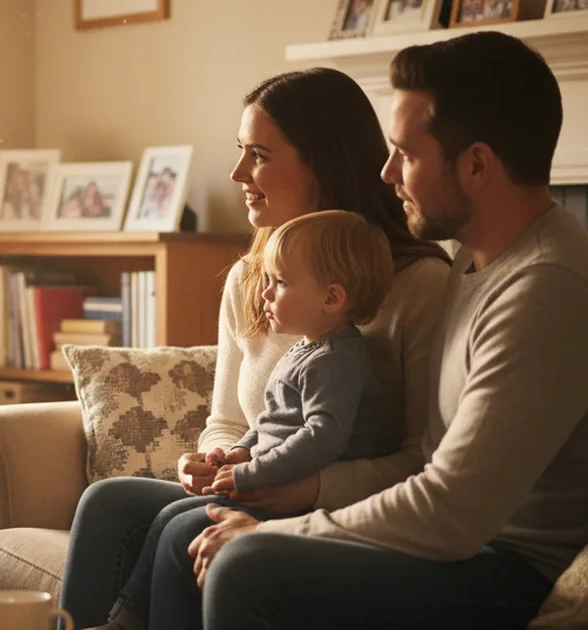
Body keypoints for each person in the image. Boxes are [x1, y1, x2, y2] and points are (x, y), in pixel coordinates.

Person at [184, 31, 588, 630]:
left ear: (477, 164)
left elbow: (451, 511)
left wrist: (286, 528)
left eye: (407, 153)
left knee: (248, 563)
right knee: (180, 529)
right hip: (458, 551)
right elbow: (430, 458)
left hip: (503, 569)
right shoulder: (471, 264)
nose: (386, 170)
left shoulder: (546, 285)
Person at [59, 67, 451, 630]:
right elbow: (226, 419)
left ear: (325, 164)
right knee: (109, 503)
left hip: (340, 505)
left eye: (260, 155)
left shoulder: (417, 285)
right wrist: (212, 459)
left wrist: (309, 486)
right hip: (260, 480)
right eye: (241, 151)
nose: (238, 172)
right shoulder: (250, 277)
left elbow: (426, 460)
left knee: (183, 530)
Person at [208, 210, 395, 499]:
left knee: (179, 524)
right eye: (267, 280)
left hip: (293, 499)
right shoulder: (308, 348)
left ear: (331, 298)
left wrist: (251, 473)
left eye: (280, 282)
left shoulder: (335, 361)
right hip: (263, 478)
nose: (265, 294)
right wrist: (241, 450)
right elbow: (271, 420)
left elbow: (322, 437)